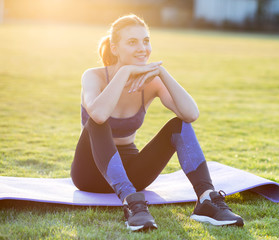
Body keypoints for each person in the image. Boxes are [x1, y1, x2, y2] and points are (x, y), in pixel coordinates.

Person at [70, 14, 244, 231]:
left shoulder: (152, 82)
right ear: (115, 49)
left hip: (134, 176)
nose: (142, 48)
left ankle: (206, 199)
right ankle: (132, 205)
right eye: (132, 42)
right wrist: (124, 72)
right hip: (89, 173)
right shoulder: (93, 76)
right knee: (99, 122)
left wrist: (161, 73)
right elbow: (98, 114)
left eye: (146, 40)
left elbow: (191, 114)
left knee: (179, 124)